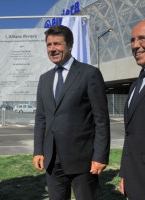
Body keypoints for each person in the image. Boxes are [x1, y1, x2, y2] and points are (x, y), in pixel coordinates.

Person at [33, 25, 110, 200]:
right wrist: (38, 150)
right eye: (49, 45)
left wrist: (100, 156)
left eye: (57, 44)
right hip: (52, 160)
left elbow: (101, 120)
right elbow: (41, 118)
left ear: (70, 46)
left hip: (83, 160)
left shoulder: (89, 74)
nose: (52, 49)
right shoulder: (44, 79)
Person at [119, 20, 145, 200]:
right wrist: (125, 173)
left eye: (142, 39)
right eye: (132, 40)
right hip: (135, 177)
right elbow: (131, 135)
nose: (135, 45)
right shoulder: (136, 84)